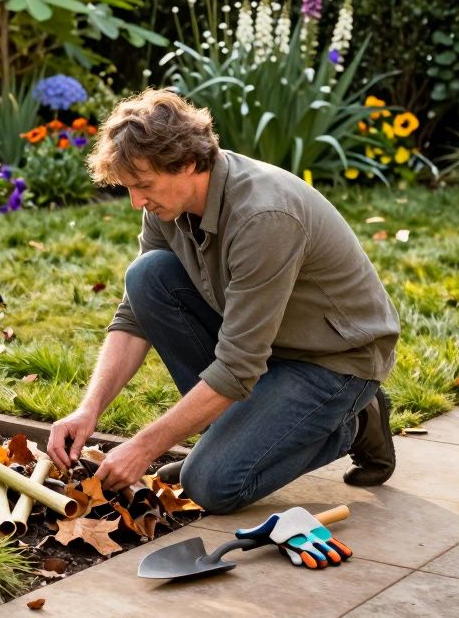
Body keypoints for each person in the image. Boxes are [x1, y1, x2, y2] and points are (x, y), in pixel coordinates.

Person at [45, 89, 401, 514]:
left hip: (334, 360)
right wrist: (88, 411)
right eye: (129, 188)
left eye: (143, 186)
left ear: (189, 164)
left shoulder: (264, 218)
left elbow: (237, 367)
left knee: (212, 485)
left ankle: (352, 422)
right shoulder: (167, 204)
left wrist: (144, 446)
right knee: (147, 277)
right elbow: (134, 316)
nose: (136, 201)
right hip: (265, 347)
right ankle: (232, 440)